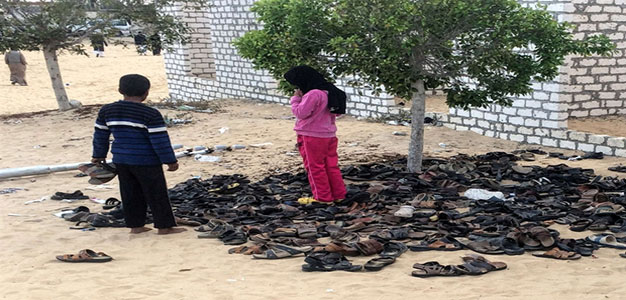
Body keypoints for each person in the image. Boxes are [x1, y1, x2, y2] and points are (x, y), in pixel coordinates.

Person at [91, 74, 186, 235]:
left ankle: (136, 226)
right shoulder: (150, 113)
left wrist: (98, 155)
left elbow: (100, 135)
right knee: (156, 193)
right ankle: (164, 227)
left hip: (121, 160)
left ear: (120, 90)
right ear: (146, 93)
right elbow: (160, 140)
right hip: (147, 161)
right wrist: (170, 161)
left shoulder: (107, 110)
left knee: (129, 193)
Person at [284, 65, 347, 204]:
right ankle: (339, 194)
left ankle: (322, 197)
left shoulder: (313, 94)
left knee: (314, 167)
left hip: (311, 135)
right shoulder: (328, 91)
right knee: (331, 165)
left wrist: (295, 100)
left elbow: (301, 113)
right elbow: (336, 112)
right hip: (329, 134)